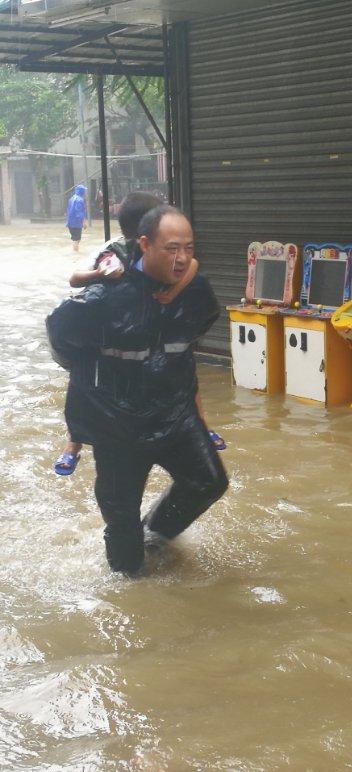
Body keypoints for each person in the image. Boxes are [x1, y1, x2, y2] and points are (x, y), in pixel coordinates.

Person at [46, 205, 229, 574]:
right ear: (144, 244)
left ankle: (155, 535)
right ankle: (129, 582)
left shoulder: (195, 292)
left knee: (208, 482)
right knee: (122, 524)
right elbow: (61, 336)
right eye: (171, 248)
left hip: (174, 414)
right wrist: (99, 383)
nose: (181, 259)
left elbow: (199, 327)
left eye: (189, 249)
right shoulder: (104, 296)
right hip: (119, 425)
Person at [53, 192, 225, 477]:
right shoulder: (113, 252)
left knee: (183, 370)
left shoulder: (164, 255)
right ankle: (73, 446)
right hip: (106, 330)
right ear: (144, 234)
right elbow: (75, 279)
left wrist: (172, 293)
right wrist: (101, 274)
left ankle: (200, 427)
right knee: (84, 386)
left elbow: (192, 267)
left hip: (154, 325)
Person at [65, 184, 88, 252]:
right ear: (81, 191)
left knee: (75, 238)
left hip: (70, 223)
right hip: (76, 223)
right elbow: (79, 213)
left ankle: (75, 251)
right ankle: (76, 253)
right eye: (84, 191)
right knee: (76, 239)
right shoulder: (79, 200)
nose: (84, 192)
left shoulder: (71, 198)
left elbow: (68, 210)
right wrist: (83, 223)